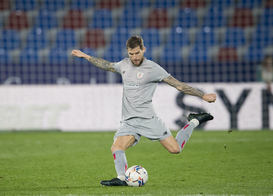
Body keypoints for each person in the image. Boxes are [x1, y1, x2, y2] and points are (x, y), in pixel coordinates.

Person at [71, 36, 217, 186]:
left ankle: (194, 120)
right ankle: (121, 179)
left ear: (143, 49)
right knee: (116, 147)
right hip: (129, 120)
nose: (134, 57)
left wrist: (203, 95)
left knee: (175, 149)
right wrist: (86, 56)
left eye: (137, 53)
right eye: (131, 54)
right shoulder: (124, 65)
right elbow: (107, 65)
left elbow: (178, 85)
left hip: (148, 119)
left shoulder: (153, 68)